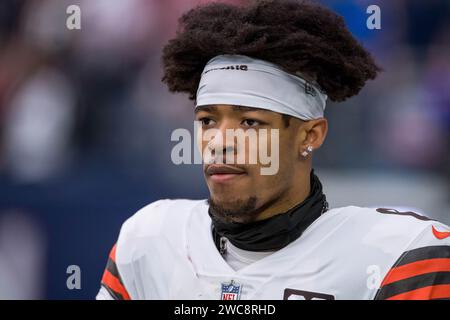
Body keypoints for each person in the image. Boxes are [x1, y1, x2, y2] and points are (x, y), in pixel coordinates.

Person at [96, 0, 450, 300]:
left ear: (309, 135)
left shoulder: (396, 256)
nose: (221, 142)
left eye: (250, 123)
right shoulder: (150, 242)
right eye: (207, 121)